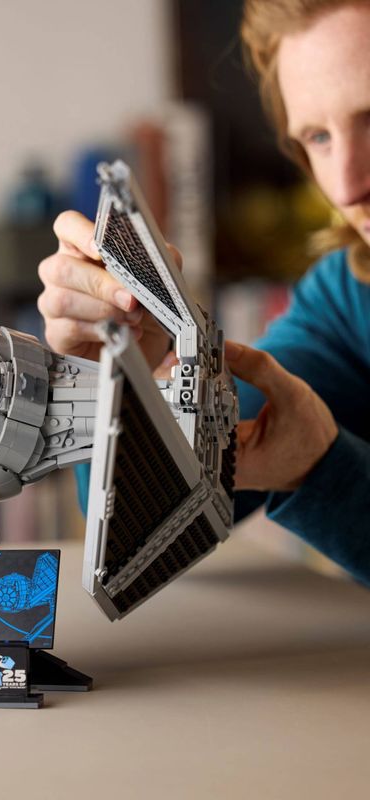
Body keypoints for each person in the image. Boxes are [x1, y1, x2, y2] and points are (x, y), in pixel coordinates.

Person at [37, 0, 370, 584]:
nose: (345, 185)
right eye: (318, 136)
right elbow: (137, 522)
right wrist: (122, 385)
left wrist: (324, 470)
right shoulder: (346, 295)